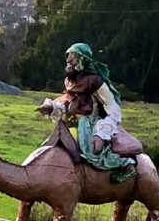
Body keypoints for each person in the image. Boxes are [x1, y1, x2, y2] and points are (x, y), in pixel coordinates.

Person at [37, 43, 137, 179]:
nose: (68, 60)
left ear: (83, 60)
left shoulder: (96, 81)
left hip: (89, 122)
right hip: (71, 122)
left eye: (73, 57)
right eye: (68, 56)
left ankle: (126, 164)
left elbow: (112, 108)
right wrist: (53, 107)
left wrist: (101, 134)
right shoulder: (69, 81)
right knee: (48, 146)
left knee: (90, 151)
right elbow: (70, 103)